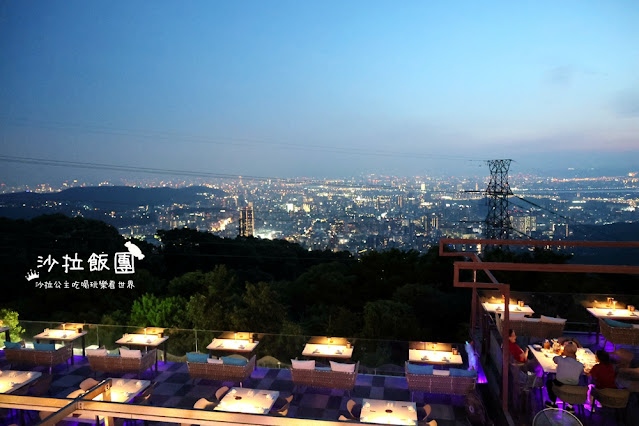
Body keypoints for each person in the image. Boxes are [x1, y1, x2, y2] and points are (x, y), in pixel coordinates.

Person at [545, 341, 584, 412]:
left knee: (549, 382)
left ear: (565, 351)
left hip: (559, 385)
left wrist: (562, 355)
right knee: (578, 382)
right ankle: (570, 406)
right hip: (574, 387)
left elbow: (554, 359)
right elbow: (581, 373)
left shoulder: (560, 360)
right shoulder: (580, 365)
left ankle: (553, 402)